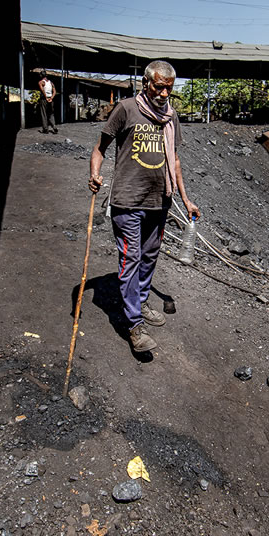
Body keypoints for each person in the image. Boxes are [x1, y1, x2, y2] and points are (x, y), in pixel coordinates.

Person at [89, 60, 200, 353]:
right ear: (146, 83)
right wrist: (94, 174)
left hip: (159, 200)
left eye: (169, 88)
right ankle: (133, 325)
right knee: (131, 259)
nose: (164, 94)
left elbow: (174, 159)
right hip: (127, 200)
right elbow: (100, 148)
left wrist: (185, 198)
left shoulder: (171, 117)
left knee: (150, 255)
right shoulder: (126, 109)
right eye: (159, 87)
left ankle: (140, 300)